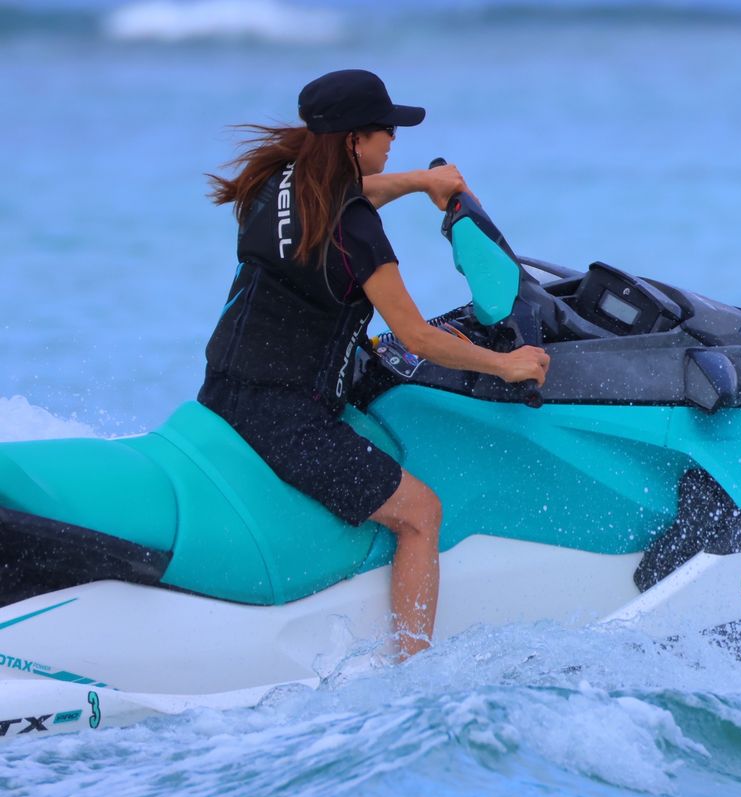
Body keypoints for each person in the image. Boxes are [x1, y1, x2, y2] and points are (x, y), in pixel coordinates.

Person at [198, 69, 549, 659]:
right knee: (421, 513)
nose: (393, 140)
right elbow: (416, 337)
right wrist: (506, 364)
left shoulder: (281, 182)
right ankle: (413, 668)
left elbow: (354, 192)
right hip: (285, 416)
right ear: (352, 140)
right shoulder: (354, 230)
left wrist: (420, 183)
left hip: (225, 389)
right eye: (386, 130)